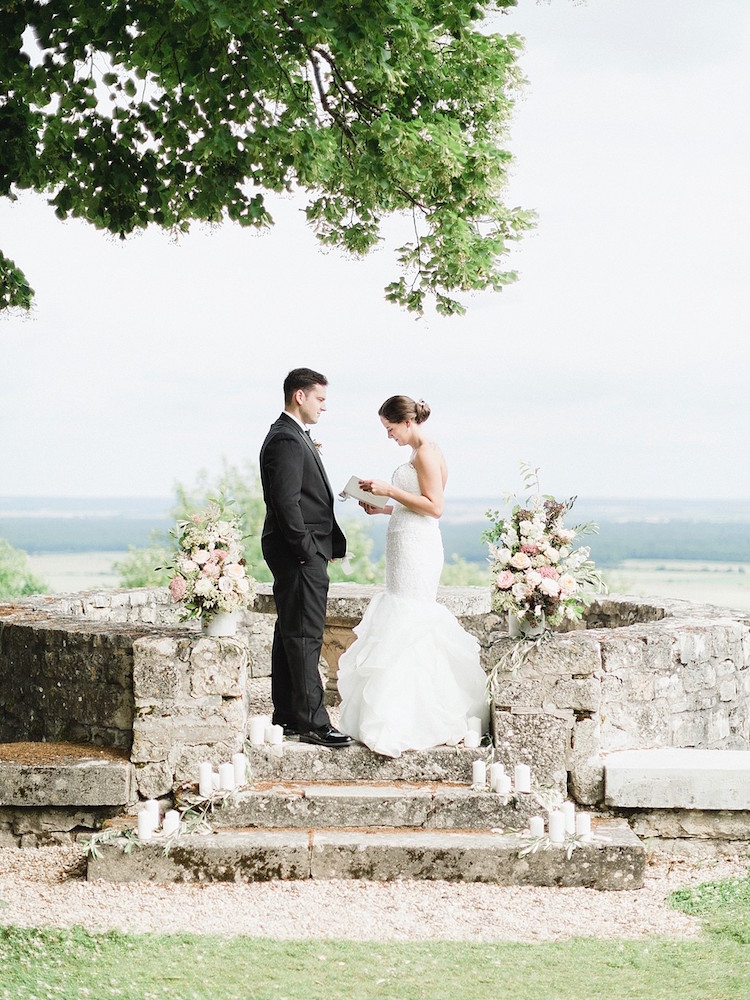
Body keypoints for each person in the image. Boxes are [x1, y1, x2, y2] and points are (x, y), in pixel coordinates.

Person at [337, 395, 489, 758]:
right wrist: (383, 507)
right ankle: (404, 712)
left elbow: (435, 508)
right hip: (405, 541)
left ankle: (413, 718)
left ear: (407, 422)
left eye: (390, 429)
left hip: (418, 550)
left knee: (410, 619)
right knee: (401, 618)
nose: (388, 436)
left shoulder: (426, 453)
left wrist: (390, 489)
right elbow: (414, 505)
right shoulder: (418, 453)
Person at [259, 368, 352, 748]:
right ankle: (314, 722)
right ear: (300, 396)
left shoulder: (293, 435)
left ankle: (288, 716)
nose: (324, 407)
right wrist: (306, 550)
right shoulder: (286, 439)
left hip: (299, 551)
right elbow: (285, 503)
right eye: (320, 399)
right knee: (305, 635)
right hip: (298, 553)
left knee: (289, 632)